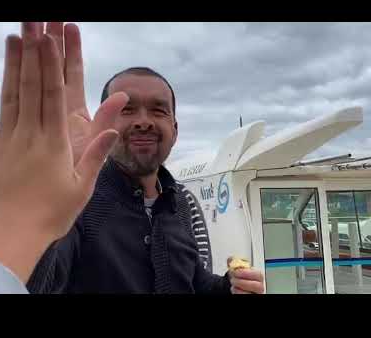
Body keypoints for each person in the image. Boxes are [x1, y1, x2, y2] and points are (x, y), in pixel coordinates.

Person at [26, 22, 264, 294]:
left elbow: (193, 279)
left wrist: (228, 287)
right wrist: (45, 208)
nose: (143, 121)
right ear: (102, 125)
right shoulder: (78, 204)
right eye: (126, 109)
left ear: (174, 131)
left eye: (158, 110)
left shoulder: (181, 204)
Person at [0, 22, 127, 293]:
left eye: (160, 109)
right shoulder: (93, 213)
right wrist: (18, 225)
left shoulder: (179, 206)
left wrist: (7, 227)